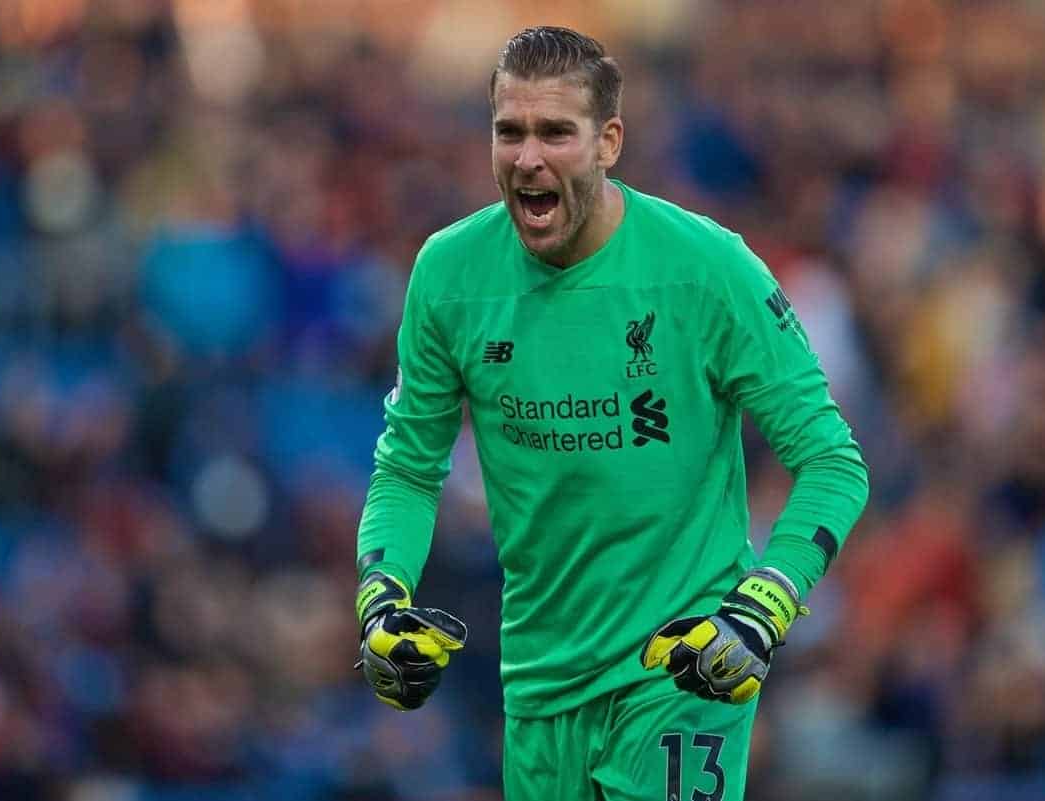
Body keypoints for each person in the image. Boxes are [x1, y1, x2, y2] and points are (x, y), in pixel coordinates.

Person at [353, 26, 869, 801]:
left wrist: (766, 601)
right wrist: (380, 598)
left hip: (684, 662)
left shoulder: (707, 269)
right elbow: (407, 467)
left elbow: (833, 462)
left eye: (556, 132)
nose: (528, 157)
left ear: (609, 142)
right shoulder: (448, 275)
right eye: (510, 131)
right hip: (540, 681)